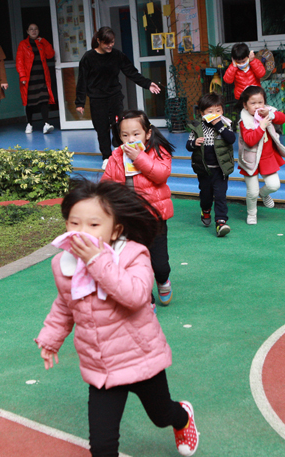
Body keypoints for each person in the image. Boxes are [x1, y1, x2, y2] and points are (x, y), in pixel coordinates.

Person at [35, 178, 199, 457]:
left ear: (115, 230)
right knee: (102, 446)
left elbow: (135, 296)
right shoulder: (64, 264)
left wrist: (96, 262)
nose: (82, 232)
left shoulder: (133, 255)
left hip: (141, 359)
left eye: (94, 224)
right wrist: (51, 339)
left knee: (161, 415)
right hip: (101, 367)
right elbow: (65, 304)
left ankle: (182, 416)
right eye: (74, 223)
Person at [102, 110, 174, 306]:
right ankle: (146, 300)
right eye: (125, 135)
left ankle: (163, 279)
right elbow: (106, 184)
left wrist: (139, 157)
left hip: (154, 218)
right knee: (135, 263)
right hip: (128, 219)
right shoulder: (117, 156)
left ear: (147, 133)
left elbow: (161, 175)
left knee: (159, 264)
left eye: (136, 134)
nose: (130, 140)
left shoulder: (158, 151)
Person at [75, 27, 161, 168]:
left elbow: (131, 72)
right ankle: (106, 157)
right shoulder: (88, 58)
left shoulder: (117, 55)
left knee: (119, 125)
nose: (110, 45)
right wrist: (80, 102)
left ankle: (119, 151)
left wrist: (147, 83)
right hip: (97, 99)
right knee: (101, 128)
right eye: (106, 43)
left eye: (112, 42)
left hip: (115, 96)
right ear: (99, 41)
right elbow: (82, 81)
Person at [237, 85, 285, 225]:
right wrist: (261, 126)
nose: (257, 106)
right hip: (250, 160)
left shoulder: (268, 112)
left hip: (267, 157)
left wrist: (271, 114)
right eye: (252, 103)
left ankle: (263, 194)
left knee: (274, 185)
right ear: (245, 105)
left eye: (260, 102)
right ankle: (252, 214)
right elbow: (250, 141)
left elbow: (282, 118)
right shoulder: (244, 122)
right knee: (252, 192)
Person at [186, 92, 236, 237]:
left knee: (220, 196)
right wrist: (194, 143)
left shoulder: (225, 124)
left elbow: (231, 139)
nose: (215, 114)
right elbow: (188, 145)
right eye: (210, 111)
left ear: (222, 111)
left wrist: (219, 126)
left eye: (218, 110)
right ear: (202, 113)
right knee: (206, 195)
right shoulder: (197, 127)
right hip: (204, 169)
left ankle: (221, 222)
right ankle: (206, 210)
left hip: (221, 169)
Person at [16, 24, 56, 135]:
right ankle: (29, 124)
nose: (34, 31)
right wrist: (22, 76)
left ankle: (46, 124)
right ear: (27, 31)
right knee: (30, 102)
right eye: (31, 29)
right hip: (29, 79)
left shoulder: (41, 43)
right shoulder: (23, 44)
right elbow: (19, 62)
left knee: (44, 100)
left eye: (36, 29)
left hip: (42, 77)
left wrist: (44, 41)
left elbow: (50, 54)